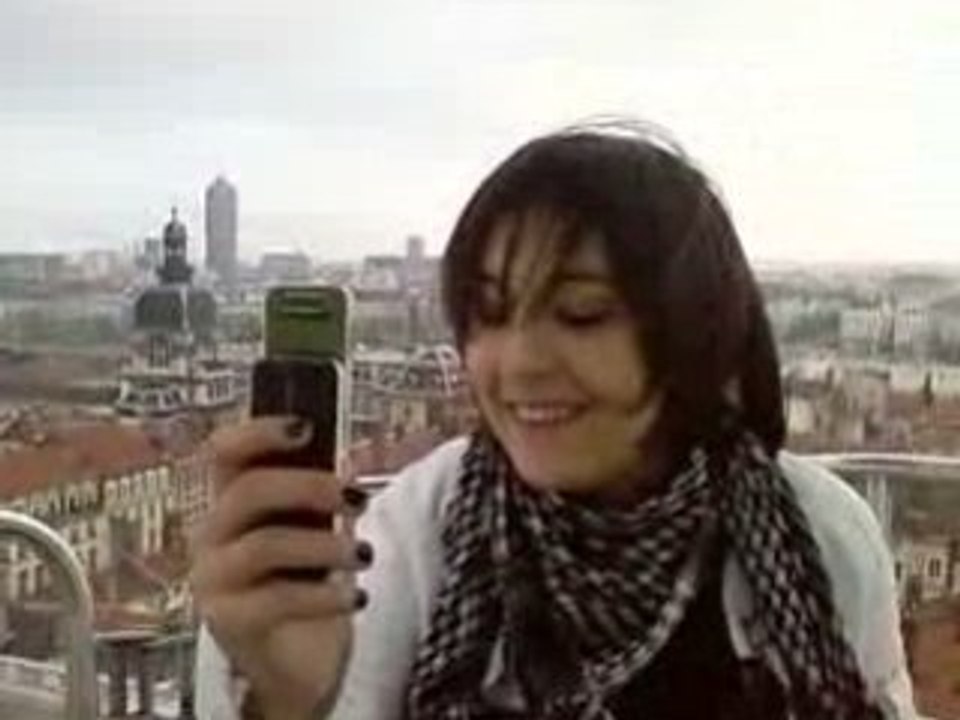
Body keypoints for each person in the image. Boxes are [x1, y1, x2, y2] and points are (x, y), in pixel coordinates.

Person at [191, 123, 917, 719]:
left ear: (693, 330)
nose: (518, 363)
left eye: (581, 314)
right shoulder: (409, 540)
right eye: (490, 312)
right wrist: (286, 701)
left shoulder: (821, 535)